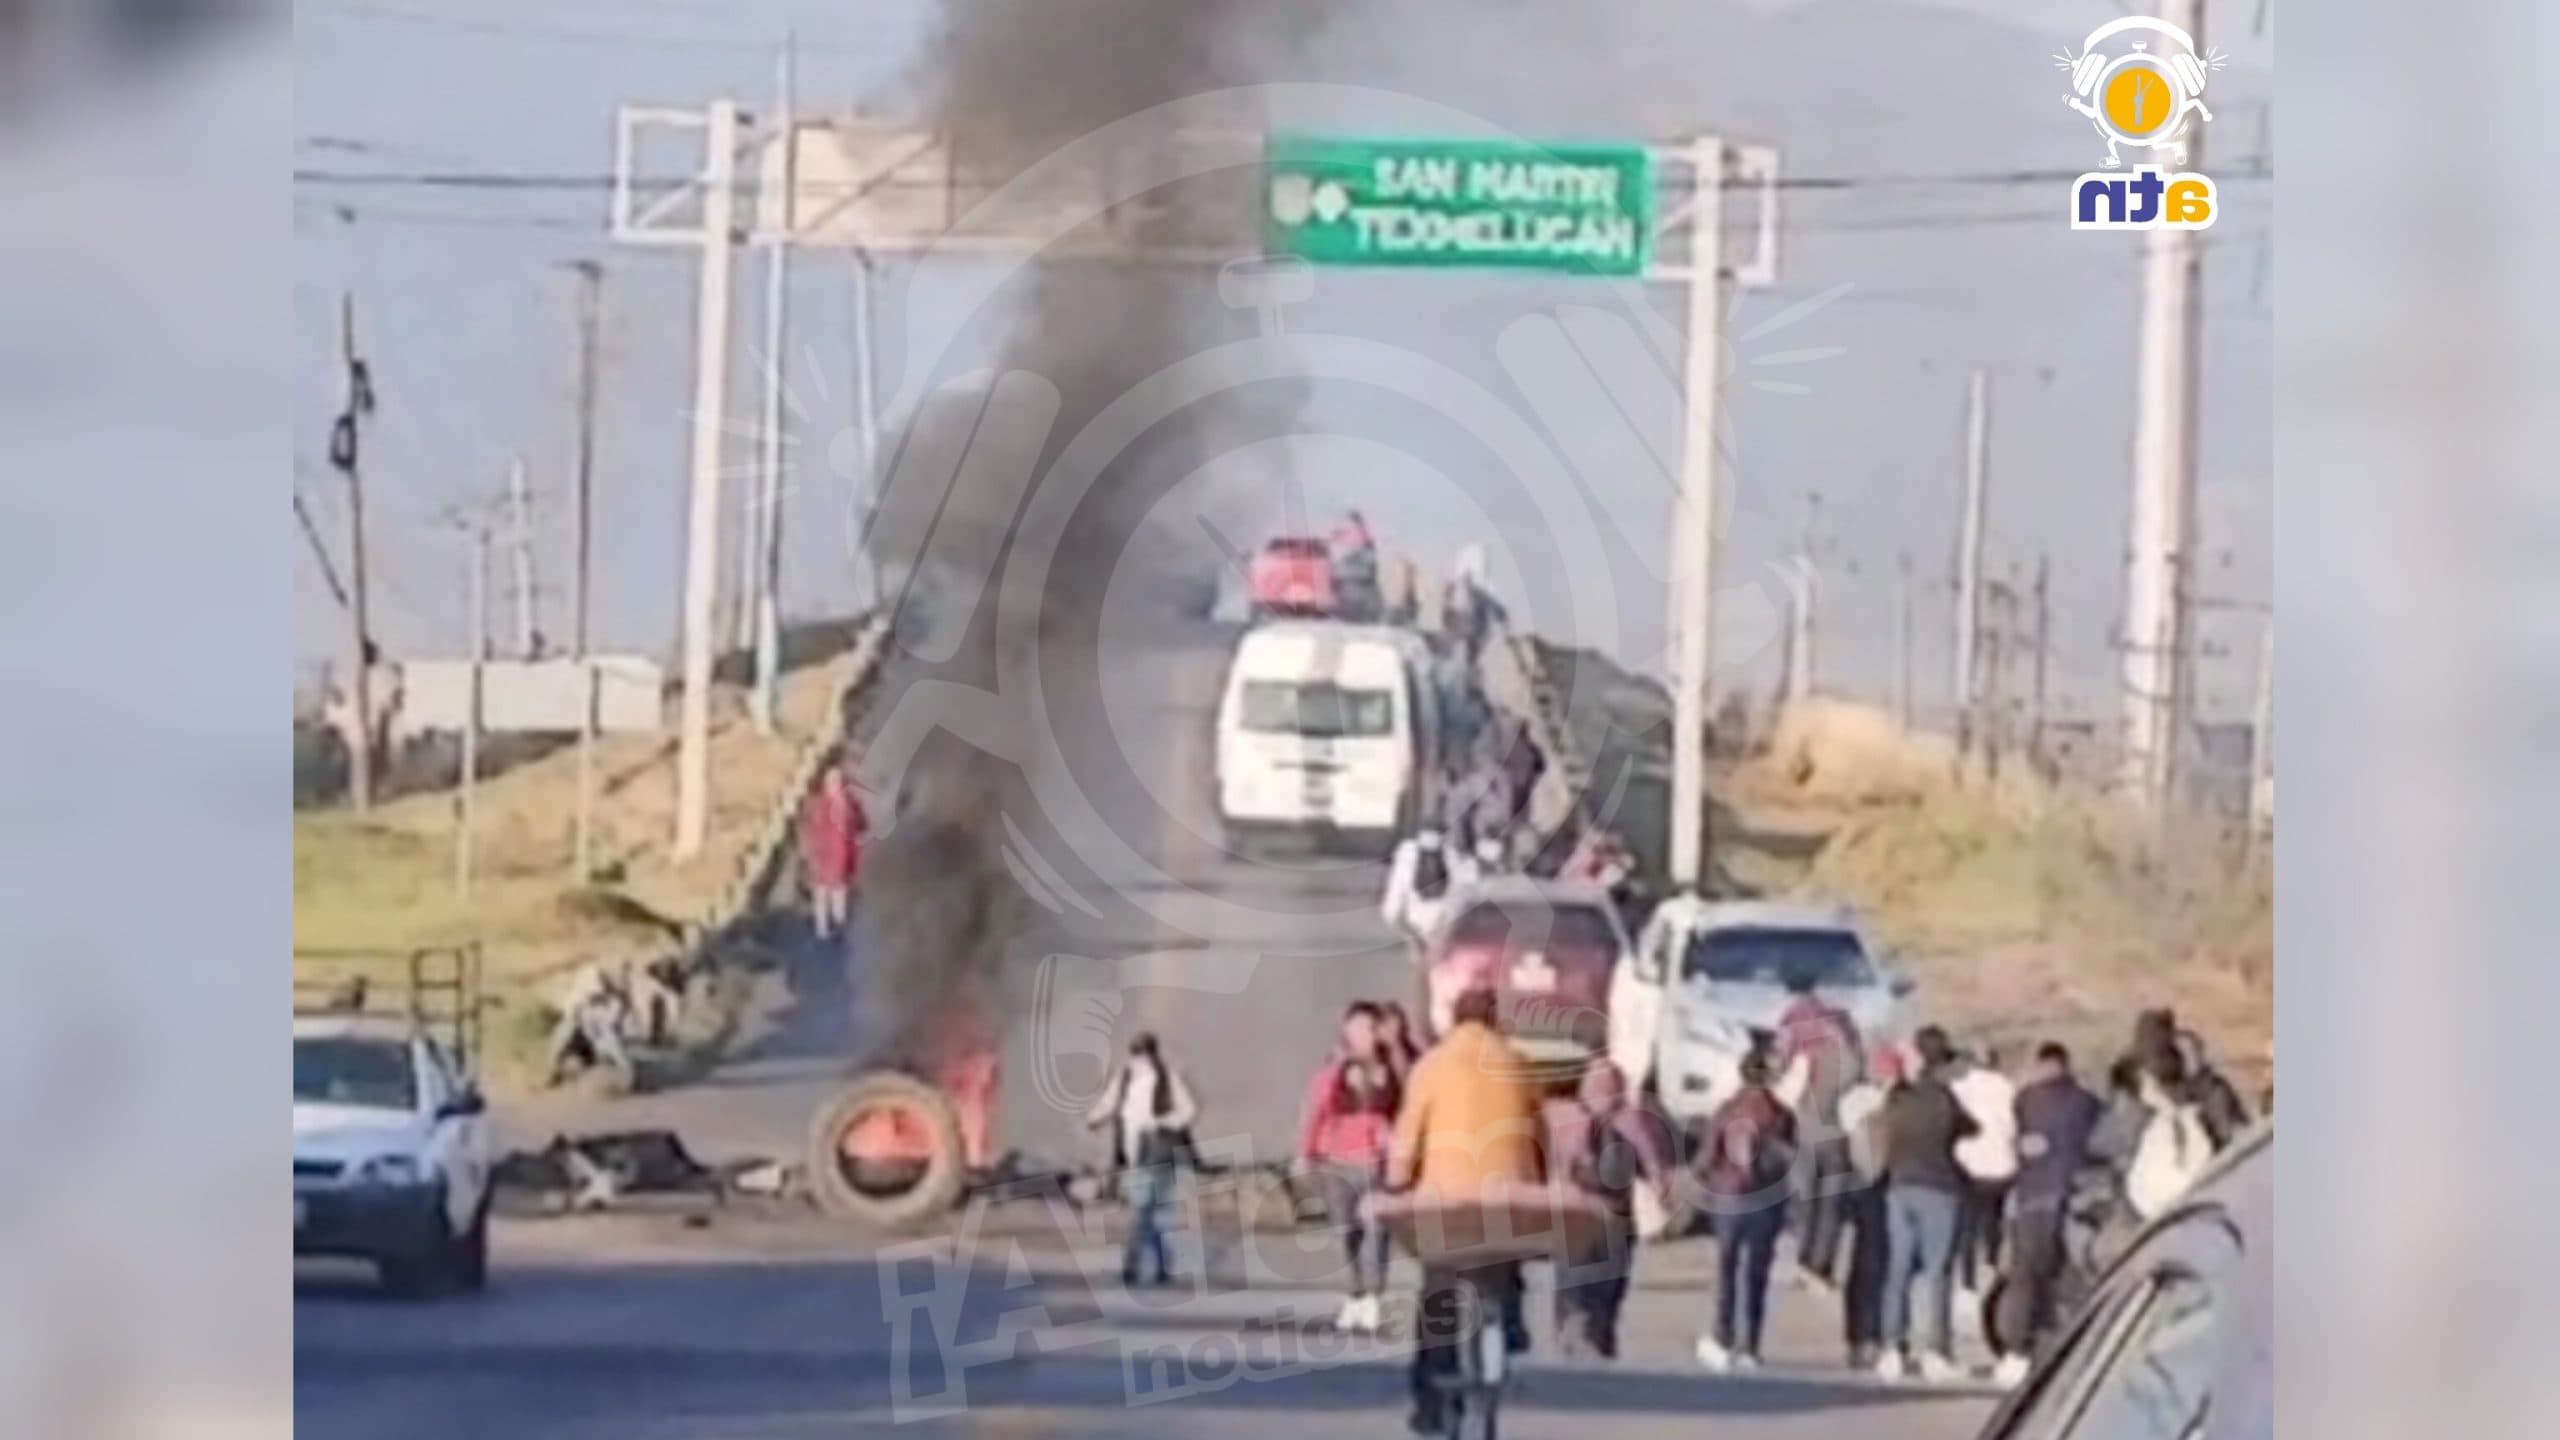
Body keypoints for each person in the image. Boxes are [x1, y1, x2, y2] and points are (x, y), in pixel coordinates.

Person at [1386, 987, 1546, 1434]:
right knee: (1505, 1261)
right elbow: (1539, 1132)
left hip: (1448, 1203)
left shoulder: (1433, 1066)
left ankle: (1430, 1400)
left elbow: (1405, 1141)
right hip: (1507, 1199)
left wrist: (1397, 1179)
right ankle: (1510, 1320)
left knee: (1437, 1292)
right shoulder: (1516, 1064)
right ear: (1496, 1020)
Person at [1545, 1059, 1671, 1359]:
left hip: (1574, 1211)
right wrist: (1662, 1196)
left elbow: (1552, 1165)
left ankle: (1570, 1326)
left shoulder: (1566, 1118)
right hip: (1616, 1213)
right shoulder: (1632, 1120)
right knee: (1611, 1279)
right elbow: (1654, 1167)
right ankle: (1602, 1332)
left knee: (1570, 1274)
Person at [1994, 1042, 2101, 1385]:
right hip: (2072, 1199)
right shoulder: (2086, 1103)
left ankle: (2017, 1352)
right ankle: (2076, 1348)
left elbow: (2016, 1143)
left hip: (2031, 1197)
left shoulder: (2025, 1100)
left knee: (2025, 1277)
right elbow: (2097, 1147)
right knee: (2071, 1278)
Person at [1877, 1025, 1976, 1383]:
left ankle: (1892, 1348)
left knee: (1898, 1268)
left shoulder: (1898, 1098)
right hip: (1939, 1187)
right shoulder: (1945, 1100)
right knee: (1938, 1272)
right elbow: (1970, 1128)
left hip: (1900, 1186)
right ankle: (1936, 1350)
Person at [1297, 1003, 1402, 1334]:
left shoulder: (1392, 1067)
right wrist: (1305, 1153)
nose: (1361, 1036)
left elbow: (1408, 1103)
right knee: (1347, 1232)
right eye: (1354, 1029)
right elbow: (1316, 1111)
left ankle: (1373, 1294)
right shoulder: (1333, 1071)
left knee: (1376, 1230)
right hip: (1337, 1163)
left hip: (1377, 1163)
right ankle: (1355, 1292)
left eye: (1367, 1029)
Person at [1692, 1047, 1797, 1371]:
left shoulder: (1727, 1111)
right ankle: (1750, 1345)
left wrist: (1704, 1180)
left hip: (1728, 1199)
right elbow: (1791, 1159)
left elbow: (1707, 1159)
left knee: (1726, 1271)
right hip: (1766, 1201)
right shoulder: (1781, 1114)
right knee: (1756, 1274)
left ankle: (1722, 1338)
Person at [1769, 969, 1863, 1286]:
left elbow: (1777, 1069)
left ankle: (1803, 1258)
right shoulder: (1839, 1025)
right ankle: (1821, 1264)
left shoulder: (1791, 1023)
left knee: (1804, 1197)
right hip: (1836, 1134)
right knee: (1832, 1200)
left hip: (1804, 1130)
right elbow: (1856, 1069)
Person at [1085, 1033, 1200, 1288]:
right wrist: (1095, 1118)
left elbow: (1187, 1111)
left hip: (1153, 1151)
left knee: (1144, 1210)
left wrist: (1160, 1123)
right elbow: (1110, 1104)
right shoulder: (1130, 1075)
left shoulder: (1163, 1075)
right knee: (1147, 1211)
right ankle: (1159, 1265)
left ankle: (1134, 1264)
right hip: (1138, 1154)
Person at [1835, 1040, 1903, 1371]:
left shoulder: (1853, 1101)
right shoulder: (1883, 1103)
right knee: (1880, 1265)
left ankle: (1858, 1337)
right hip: (1879, 1185)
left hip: (1857, 1184)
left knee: (1863, 1264)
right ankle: (1874, 1335)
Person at [1950, 1044, 2020, 1316]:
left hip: (1970, 1165)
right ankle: (1992, 1269)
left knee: (1967, 1227)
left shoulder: (1961, 1088)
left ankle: (1967, 1284)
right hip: (2003, 1165)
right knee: (1995, 1223)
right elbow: (2015, 1125)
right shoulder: (2008, 1087)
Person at [801, 760, 867, 939]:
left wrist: (859, 838)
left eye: (838, 781)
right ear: (825, 783)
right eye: (832, 781)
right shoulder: (819, 806)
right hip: (824, 855)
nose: (835, 784)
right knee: (822, 891)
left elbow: (861, 824)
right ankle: (822, 928)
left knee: (839, 890)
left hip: (843, 855)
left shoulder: (849, 803)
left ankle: (838, 925)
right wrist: (810, 852)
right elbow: (810, 831)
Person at [1381, 827, 1476, 950]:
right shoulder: (1409, 856)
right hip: (1428, 919)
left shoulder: (1449, 856)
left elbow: (1461, 893)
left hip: (1435, 919)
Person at [1377, 1001, 1424, 1084]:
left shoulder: (1411, 1039)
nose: (1391, 1025)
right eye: (1385, 1021)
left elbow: (1430, 1058)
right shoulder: (1379, 1054)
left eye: (1394, 1018)